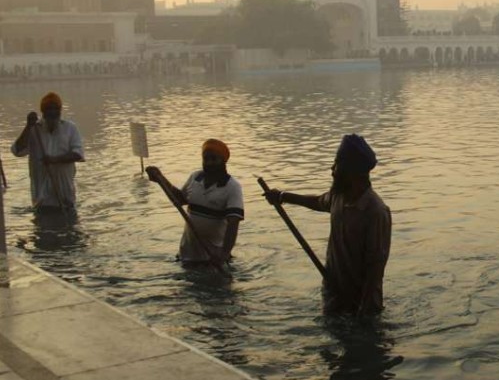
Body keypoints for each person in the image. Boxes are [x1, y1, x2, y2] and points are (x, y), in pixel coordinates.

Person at [263, 134, 391, 315]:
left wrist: (365, 308)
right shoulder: (339, 196)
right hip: (333, 292)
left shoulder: (375, 212)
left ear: (350, 172)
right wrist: (283, 196)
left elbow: (376, 266)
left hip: (361, 303)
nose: (332, 170)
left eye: (336, 165)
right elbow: (317, 202)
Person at [145, 139, 243, 264]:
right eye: (206, 159)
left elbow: (233, 224)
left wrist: (223, 254)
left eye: (214, 159)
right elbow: (179, 199)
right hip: (186, 254)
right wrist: (160, 179)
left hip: (212, 258)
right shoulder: (196, 177)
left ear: (223, 161)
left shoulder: (232, 187)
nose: (209, 163)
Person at [10, 92, 84, 211]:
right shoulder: (34, 130)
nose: (52, 112)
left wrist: (54, 160)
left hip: (65, 195)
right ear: (43, 112)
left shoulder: (70, 128)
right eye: (49, 109)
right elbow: (17, 151)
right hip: (41, 198)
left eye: (56, 109)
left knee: (68, 224)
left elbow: (78, 154)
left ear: (60, 111)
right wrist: (28, 126)